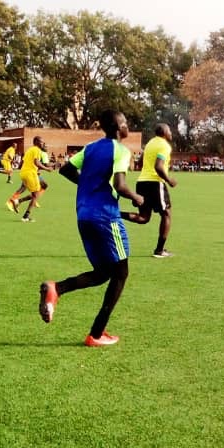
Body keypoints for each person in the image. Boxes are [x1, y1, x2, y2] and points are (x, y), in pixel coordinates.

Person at [38, 110, 143, 347]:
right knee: (121, 273)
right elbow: (120, 184)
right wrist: (138, 199)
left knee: (103, 273)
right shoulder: (121, 150)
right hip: (106, 216)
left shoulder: (92, 147)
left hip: (83, 214)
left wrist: (90, 184)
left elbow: (65, 169)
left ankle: (57, 288)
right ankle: (96, 334)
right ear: (119, 127)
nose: (128, 126)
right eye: (126, 122)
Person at [122, 123, 179, 258]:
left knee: (143, 218)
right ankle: (160, 250)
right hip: (155, 182)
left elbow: (140, 162)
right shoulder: (164, 146)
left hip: (142, 181)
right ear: (164, 132)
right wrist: (169, 180)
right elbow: (158, 167)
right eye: (169, 130)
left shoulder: (150, 143)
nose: (171, 133)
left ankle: (115, 214)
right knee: (166, 215)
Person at [6, 137, 53, 222]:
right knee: (35, 195)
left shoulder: (29, 150)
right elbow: (36, 162)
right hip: (30, 173)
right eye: (41, 142)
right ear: (36, 142)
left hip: (24, 173)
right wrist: (46, 169)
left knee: (42, 186)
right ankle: (25, 216)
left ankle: (17, 202)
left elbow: (23, 162)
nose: (42, 143)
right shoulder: (36, 150)